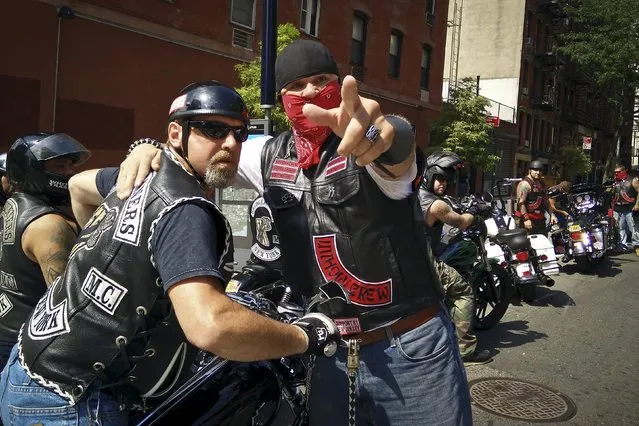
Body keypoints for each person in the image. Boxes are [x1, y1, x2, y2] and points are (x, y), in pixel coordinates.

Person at [115, 40, 472, 425]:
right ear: (282, 97)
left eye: (322, 80)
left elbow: (395, 146)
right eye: (297, 86)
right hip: (329, 351)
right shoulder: (267, 153)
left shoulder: (363, 143)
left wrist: (386, 132)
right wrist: (148, 149)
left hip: (409, 348)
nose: (311, 93)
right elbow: (201, 149)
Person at [0, 81, 340, 424]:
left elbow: (79, 186)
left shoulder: (139, 177)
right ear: (176, 134)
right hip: (76, 402)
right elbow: (211, 326)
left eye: (239, 134)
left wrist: (109, 249)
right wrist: (306, 335)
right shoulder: (186, 209)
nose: (229, 143)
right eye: (213, 129)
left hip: (24, 367)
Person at [0, 133, 89, 370]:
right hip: (24, 352)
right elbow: (67, 305)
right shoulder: (49, 225)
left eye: (71, 164)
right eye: (59, 165)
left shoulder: (14, 205)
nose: (69, 172)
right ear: (30, 170)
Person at [418, 151, 493, 365]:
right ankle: (466, 350)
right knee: (464, 292)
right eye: (439, 178)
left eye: (447, 179)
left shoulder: (412, 194)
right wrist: (475, 211)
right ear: (429, 175)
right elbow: (460, 222)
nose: (444, 183)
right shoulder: (437, 205)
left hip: (410, 256)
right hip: (426, 261)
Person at [515, 159, 555, 235]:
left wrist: (552, 215)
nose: (538, 173)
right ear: (530, 170)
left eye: (540, 170)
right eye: (535, 170)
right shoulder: (524, 184)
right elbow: (521, 203)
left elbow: (546, 201)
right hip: (528, 221)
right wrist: (526, 219)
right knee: (527, 244)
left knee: (542, 243)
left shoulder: (541, 183)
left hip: (540, 220)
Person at [611, 164, 639, 255]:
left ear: (624, 171)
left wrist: (637, 204)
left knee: (633, 228)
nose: (616, 174)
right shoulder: (614, 182)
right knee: (619, 228)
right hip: (618, 208)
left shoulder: (633, 180)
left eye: (618, 172)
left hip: (630, 208)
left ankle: (637, 245)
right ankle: (622, 245)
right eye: (615, 172)